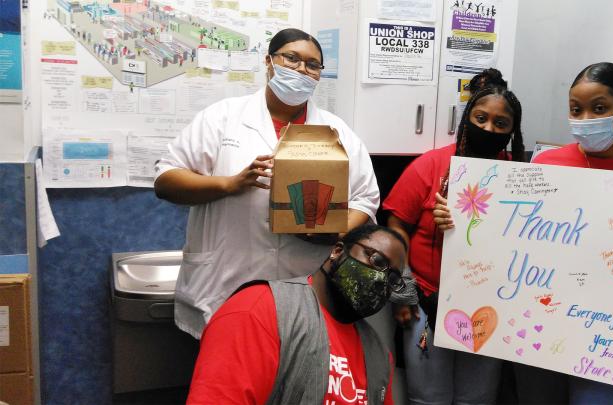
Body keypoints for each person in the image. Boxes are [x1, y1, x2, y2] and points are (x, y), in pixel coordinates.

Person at [434, 62, 613, 404]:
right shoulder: (546, 166)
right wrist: (458, 219)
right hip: (540, 333)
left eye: (599, 108)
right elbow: (508, 241)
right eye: (576, 109)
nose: (585, 118)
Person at [154, 28, 380, 339]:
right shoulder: (223, 117)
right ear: (269, 61)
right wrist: (229, 185)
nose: (301, 69)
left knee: (296, 381)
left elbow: (365, 199)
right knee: (226, 378)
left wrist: (332, 233)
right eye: (292, 58)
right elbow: (166, 180)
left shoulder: (336, 132)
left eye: (313, 65)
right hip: (225, 283)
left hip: (304, 286)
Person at [383, 70, 525, 404]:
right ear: (467, 118)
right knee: (427, 397)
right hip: (427, 306)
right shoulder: (430, 166)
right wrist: (402, 290)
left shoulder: (521, 177)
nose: (489, 129)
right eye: (481, 118)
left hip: (490, 307)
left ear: (512, 131)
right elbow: (395, 225)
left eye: (500, 124)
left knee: (478, 397)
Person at [187, 224, 406, 404]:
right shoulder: (260, 310)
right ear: (337, 251)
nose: (381, 279)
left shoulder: (378, 355)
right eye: (376, 260)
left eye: (393, 279)